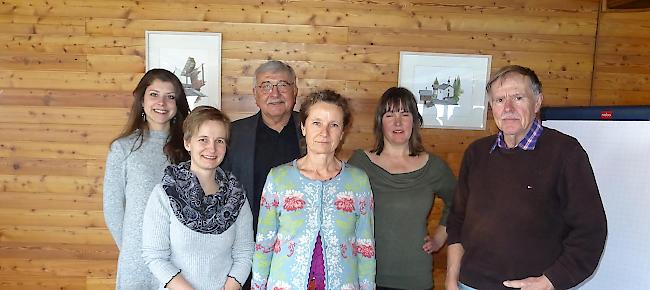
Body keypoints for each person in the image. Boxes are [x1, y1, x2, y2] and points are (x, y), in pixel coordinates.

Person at [445, 65, 607, 290]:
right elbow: (457, 221)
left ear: (537, 102)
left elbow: (591, 229)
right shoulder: (477, 153)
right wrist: (451, 280)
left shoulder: (566, 153)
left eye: (518, 97)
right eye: (500, 100)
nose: (508, 108)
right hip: (470, 285)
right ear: (492, 107)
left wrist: (551, 281)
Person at [251, 90, 376, 290]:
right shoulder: (278, 178)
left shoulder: (358, 181)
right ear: (303, 127)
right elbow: (264, 243)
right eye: (316, 123)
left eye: (334, 125)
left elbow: (365, 246)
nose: (324, 132)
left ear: (342, 132)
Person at [348, 87, 456, 290]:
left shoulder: (433, 167)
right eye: (390, 115)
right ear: (380, 122)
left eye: (404, 114)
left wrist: (440, 238)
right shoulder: (360, 163)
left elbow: (459, 201)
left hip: (415, 277)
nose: (398, 122)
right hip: (365, 276)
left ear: (414, 121)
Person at [141, 106, 254, 290]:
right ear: (188, 143)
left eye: (220, 141)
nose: (212, 148)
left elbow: (245, 252)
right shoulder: (164, 193)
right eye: (203, 139)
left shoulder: (236, 196)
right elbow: (155, 256)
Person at [103, 68, 190, 289]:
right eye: (154, 94)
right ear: (142, 100)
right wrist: (132, 250)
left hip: (180, 258)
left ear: (177, 104)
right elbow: (112, 207)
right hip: (137, 257)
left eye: (170, 97)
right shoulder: (123, 148)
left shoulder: (190, 149)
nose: (162, 102)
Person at [221, 60, 306, 235]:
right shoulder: (234, 134)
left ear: (295, 91)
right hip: (249, 239)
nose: (274, 94)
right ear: (255, 94)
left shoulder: (313, 130)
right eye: (266, 86)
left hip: (302, 240)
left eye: (282, 85)